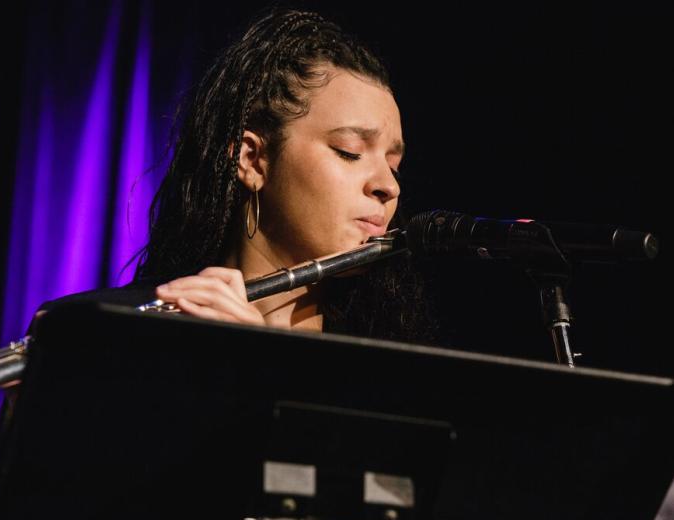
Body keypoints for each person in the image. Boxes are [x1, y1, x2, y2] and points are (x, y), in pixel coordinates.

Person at [35, 7, 439, 346]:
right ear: (252, 159)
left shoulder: (385, 379)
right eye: (349, 152)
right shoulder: (104, 332)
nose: (389, 186)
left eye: (394, 165)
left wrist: (254, 369)